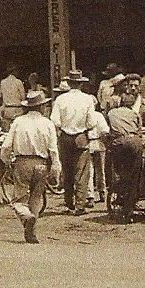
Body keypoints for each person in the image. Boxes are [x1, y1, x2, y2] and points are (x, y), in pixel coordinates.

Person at [0, 90, 61, 244]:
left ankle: (27, 218)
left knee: (18, 199)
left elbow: (7, 145)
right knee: (37, 197)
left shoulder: (18, 121)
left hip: (22, 162)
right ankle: (31, 232)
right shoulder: (48, 123)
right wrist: (55, 166)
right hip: (42, 163)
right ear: (41, 107)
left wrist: (5, 160)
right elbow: (53, 149)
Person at [50, 69, 96, 215]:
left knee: (67, 170)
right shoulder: (87, 99)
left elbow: (55, 121)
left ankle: (69, 202)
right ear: (81, 84)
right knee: (82, 171)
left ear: (69, 83)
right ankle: (80, 205)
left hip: (65, 136)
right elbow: (92, 122)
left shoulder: (60, 99)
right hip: (81, 136)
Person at [107, 91, 145, 221]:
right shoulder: (135, 114)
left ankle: (120, 189)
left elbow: (107, 130)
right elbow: (139, 132)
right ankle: (129, 207)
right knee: (135, 175)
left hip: (117, 143)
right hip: (134, 142)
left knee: (120, 171)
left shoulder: (111, 113)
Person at [86, 104, 110, 206]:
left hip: (90, 143)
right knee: (100, 170)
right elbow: (105, 130)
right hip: (99, 143)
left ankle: (91, 196)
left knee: (89, 171)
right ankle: (102, 192)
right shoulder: (99, 115)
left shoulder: (85, 116)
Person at [0, 64, 26, 131]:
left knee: (7, 132)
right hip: (17, 110)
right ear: (14, 71)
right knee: (17, 131)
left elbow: (1, 96)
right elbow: (23, 98)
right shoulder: (18, 82)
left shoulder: (2, 82)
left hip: (7, 110)